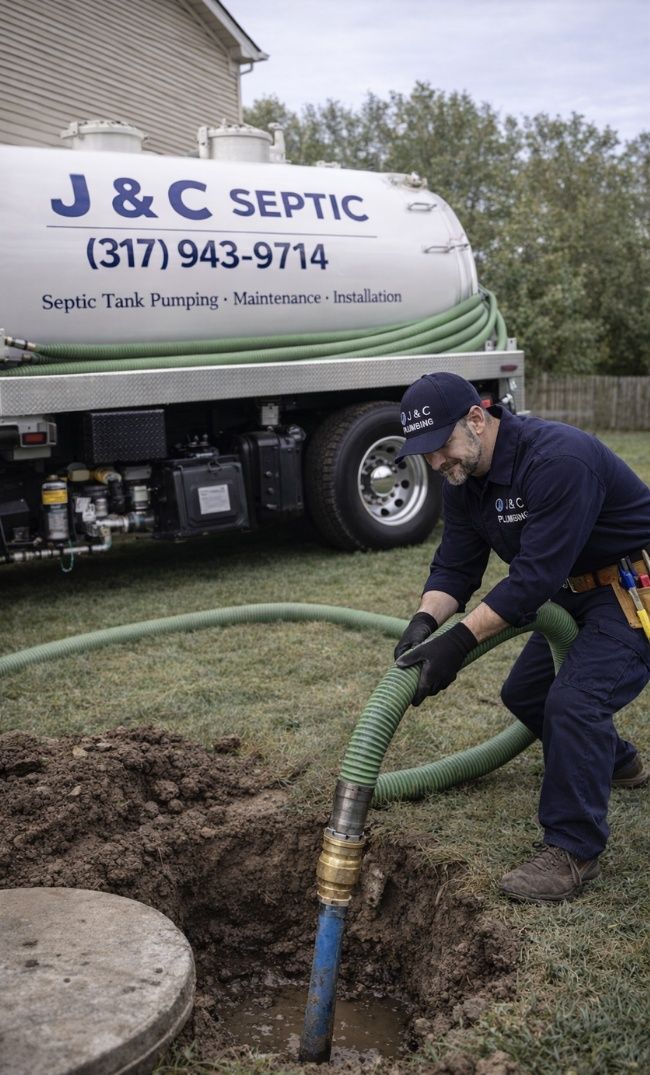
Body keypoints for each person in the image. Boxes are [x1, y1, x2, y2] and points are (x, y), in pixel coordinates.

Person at [393, 371, 650, 903]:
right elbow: (456, 567)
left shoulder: (558, 461)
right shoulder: (464, 479)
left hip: (630, 584)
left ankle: (572, 849)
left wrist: (458, 644)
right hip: (570, 588)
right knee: (525, 694)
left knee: (574, 702)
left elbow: (531, 579)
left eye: (440, 447)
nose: (437, 463)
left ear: (477, 420)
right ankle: (618, 763)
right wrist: (423, 624)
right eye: (427, 454)